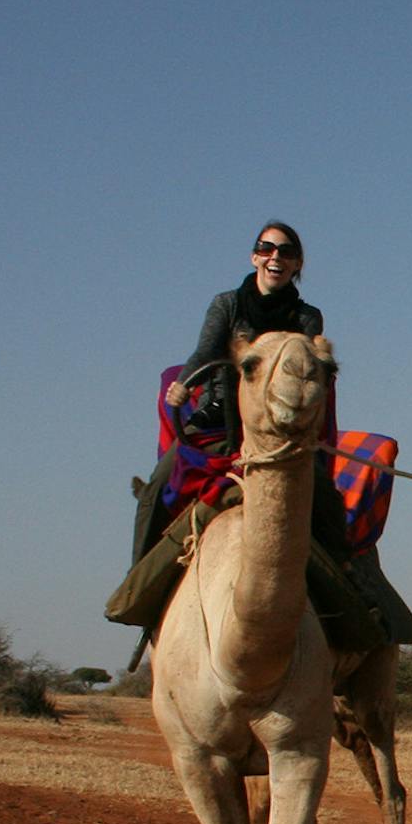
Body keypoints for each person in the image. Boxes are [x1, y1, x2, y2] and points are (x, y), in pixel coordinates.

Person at [131, 222, 329, 567]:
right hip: (218, 420)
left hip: (277, 429)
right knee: (159, 484)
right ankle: (138, 586)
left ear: (297, 265)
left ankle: (351, 584)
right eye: (267, 249)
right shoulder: (227, 305)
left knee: (326, 496)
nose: (275, 257)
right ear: (255, 257)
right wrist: (186, 384)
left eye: (286, 252)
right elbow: (205, 351)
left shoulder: (307, 318)